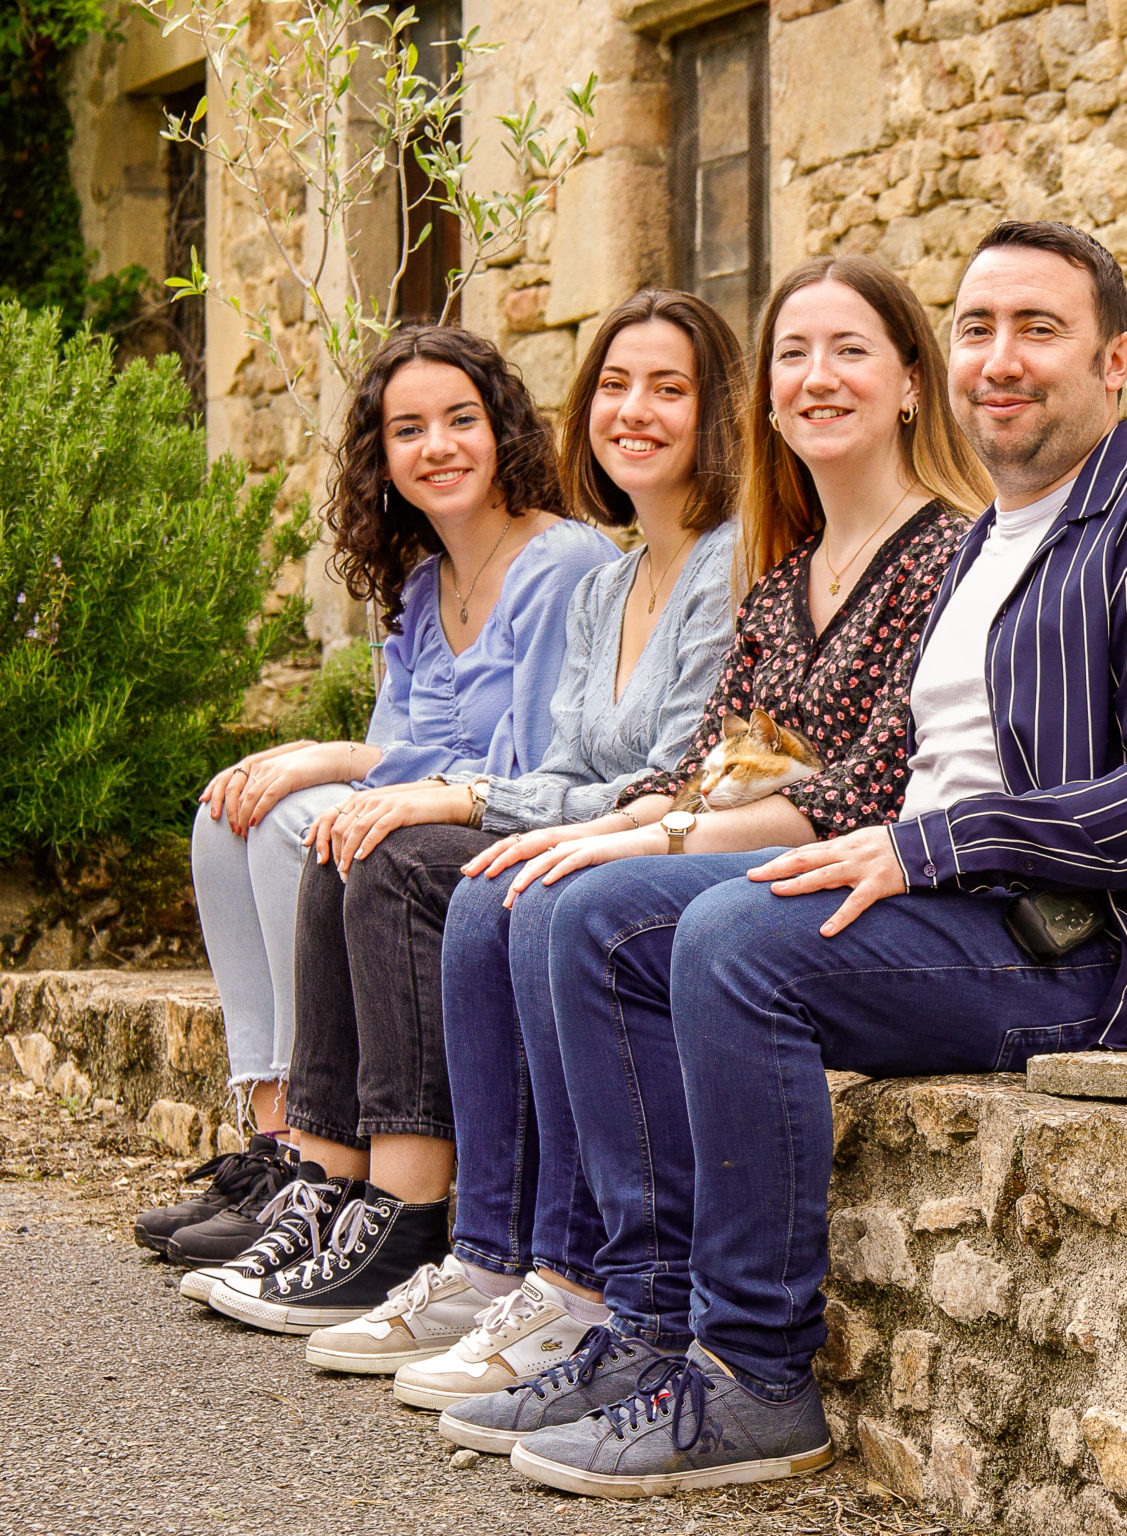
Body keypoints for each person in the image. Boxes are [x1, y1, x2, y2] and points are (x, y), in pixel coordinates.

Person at [494, 222, 1127, 1499]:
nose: (1000, 360)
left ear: (1117, 358)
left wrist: (933, 843)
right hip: (945, 905)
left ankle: (757, 1375)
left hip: (1099, 953)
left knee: (733, 946)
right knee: (595, 919)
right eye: (977, 328)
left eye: (1040, 329)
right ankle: (648, 1325)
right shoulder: (986, 543)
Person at [436, 254, 991, 1458]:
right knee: (544, 885)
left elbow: (872, 781)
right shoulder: (785, 578)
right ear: (772, 398)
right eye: (794, 354)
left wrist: (662, 836)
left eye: (850, 351)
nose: (817, 377)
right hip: (771, 846)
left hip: (878, 878)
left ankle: (666, 1319)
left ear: (909, 382)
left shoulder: (953, 554)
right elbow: (710, 759)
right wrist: (602, 824)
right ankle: (625, 1313)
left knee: (593, 909)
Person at [199, 291, 744, 1346]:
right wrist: (440, 792)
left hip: (649, 851)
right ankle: (327, 1178)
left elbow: (660, 784)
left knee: (396, 855)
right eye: (615, 386)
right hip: (566, 825)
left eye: (667, 388)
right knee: (342, 843)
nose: (633, 410)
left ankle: (410, 1224)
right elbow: (574, 767)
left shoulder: (679, 568)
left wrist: (459, 795)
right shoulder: (617, 578)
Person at [154, 325, 613, 1273]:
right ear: (383, 456)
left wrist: (326, 760)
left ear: (504, 432)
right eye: (408, 430)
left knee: (315, 823)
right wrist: (309, 762)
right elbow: (394, 751)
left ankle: (339, 1154)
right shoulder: (420, 583)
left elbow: (530, 761)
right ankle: (284, 1146)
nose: (436, 446)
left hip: (502, 822)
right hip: (428, 814)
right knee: (228, 812)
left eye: (460, 420)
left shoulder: (560, 563)